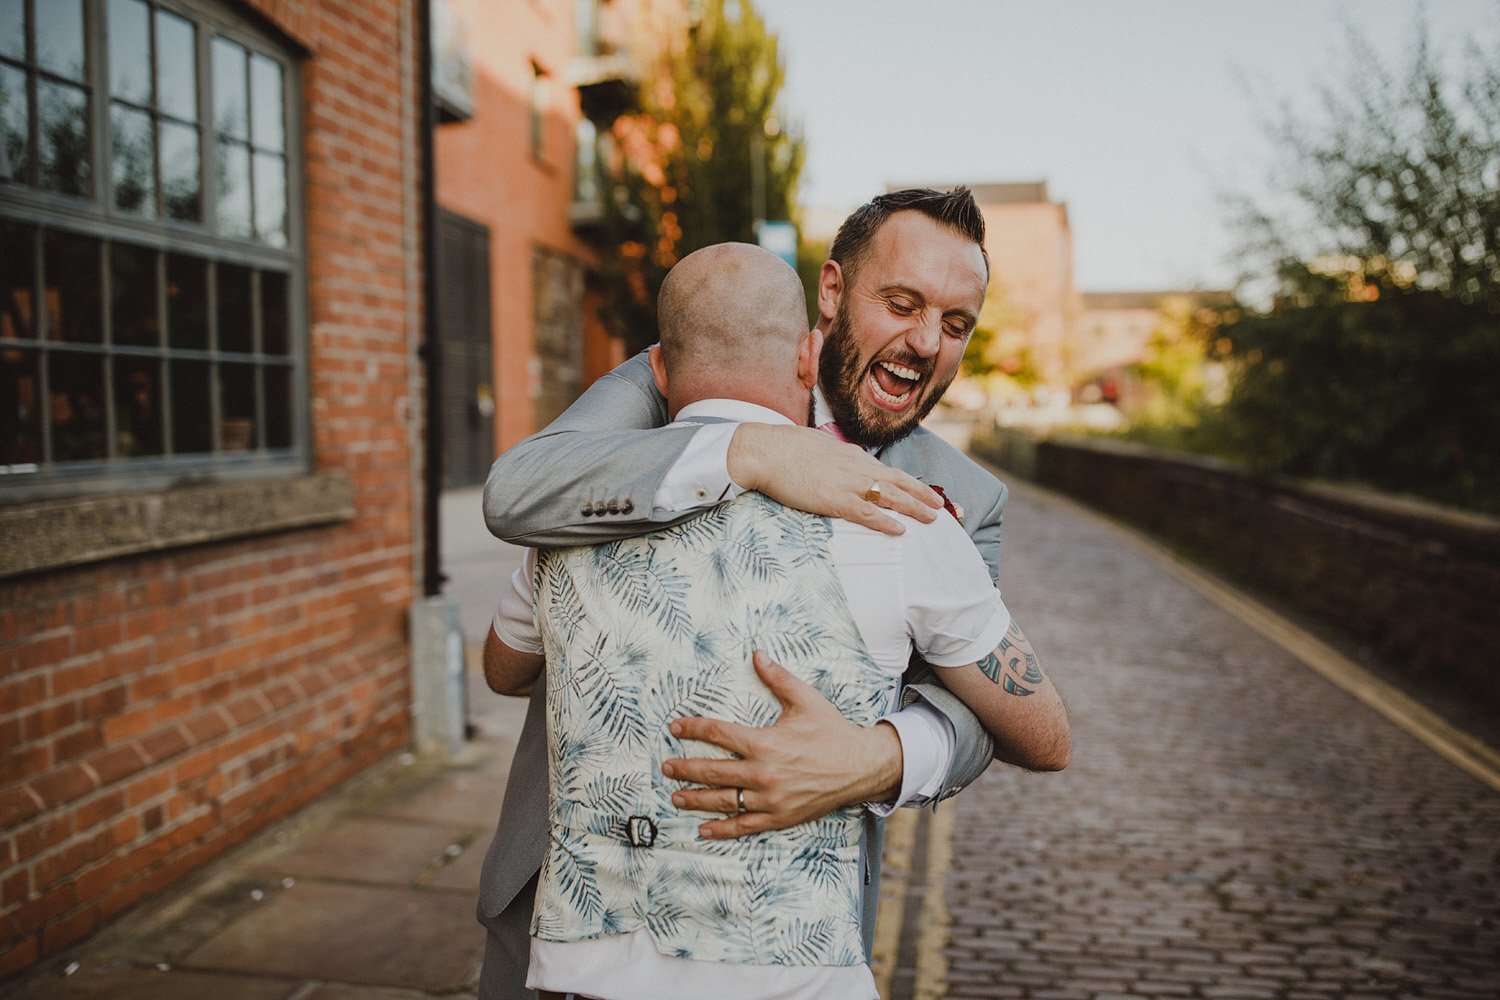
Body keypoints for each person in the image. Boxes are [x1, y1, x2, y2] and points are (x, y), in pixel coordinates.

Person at [483, 241, 1068, 1000]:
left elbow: (504, 668)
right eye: (900, 303)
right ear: (811, 345)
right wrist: (747, 451)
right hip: (798, 973)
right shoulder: (910, 522)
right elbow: (1044, 730)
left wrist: (885, 756)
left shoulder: (563, 537)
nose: (924, 339)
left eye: (955, 322)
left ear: (662, 374)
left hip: (582, 974)